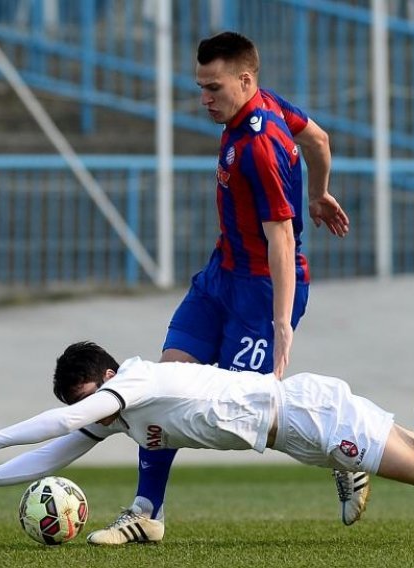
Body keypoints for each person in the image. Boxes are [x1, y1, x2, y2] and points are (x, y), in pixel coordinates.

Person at [0, 303, 414, 546]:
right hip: (298, 427)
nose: (96, 413)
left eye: (91, 397)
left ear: (103, 379)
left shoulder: (136, 381)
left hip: (307, 415)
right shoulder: (126, 411)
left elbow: (70, 418)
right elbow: (61, 449)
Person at [122, 30, 357, 543]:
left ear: (244, 80)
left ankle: (343, 449)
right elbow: (318, 138)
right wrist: (320, 194)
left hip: (259, 293)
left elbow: (280, 239)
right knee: (164, 386)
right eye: (201, 87)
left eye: (213, 87)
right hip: (218, 278)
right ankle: (146, 511)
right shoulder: (262, 106)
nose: (204, 99)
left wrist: (280, 323)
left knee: (240, 415)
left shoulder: (261, 149)